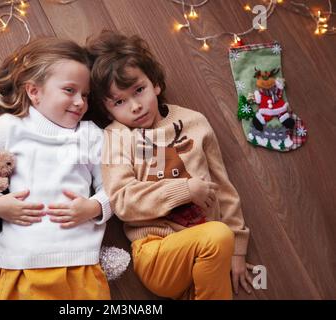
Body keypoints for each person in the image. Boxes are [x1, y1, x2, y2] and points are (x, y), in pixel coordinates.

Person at [0, 37, 113, 300]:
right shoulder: (8, 127)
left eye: (86, 95)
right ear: (35, 92)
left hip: (80, 266)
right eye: (69, 90)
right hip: (20, 267)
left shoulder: (91, 135)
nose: (80, 102)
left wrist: (94, 207)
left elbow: (116, 187)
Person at [86, 30, 252, 300]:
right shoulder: (116, 137)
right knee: (217, 236)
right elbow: (122, 200)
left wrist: (238, 249)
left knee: (219, 238)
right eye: (119, 101)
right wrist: (184, 190)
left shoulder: (194, 122)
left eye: (139, 90)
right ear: (108, 111)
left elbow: (222, 187)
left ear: (156, 84)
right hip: (155, 252)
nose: (136, 106)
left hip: (208, 248)